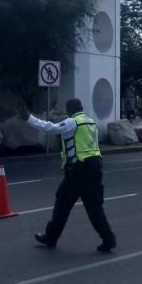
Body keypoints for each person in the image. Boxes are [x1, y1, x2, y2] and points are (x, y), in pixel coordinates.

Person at [17, 99, 117, 253]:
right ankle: (108, 239)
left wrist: (29, 117)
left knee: (62, 204)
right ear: (82, 108)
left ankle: (51, 237)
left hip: (78, 170)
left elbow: (50, 127)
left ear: (68, 111)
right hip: (95, 168)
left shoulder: (72, 122)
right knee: (94, 207)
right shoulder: (90, 123)